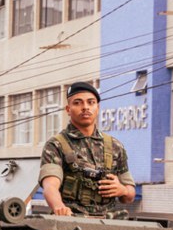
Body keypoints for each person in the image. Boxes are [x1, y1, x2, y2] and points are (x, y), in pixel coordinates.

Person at [38, 82, 136, 217]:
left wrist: (122, 190)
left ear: (97, 107)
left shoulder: (115, 146)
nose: (85, 107)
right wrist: (59, 207)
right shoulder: (56, 145)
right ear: (68, 109)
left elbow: (129, 196)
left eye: (91, 102)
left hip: (109, 223)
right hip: (72, 219)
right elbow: (50, 186)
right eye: (77, 103)